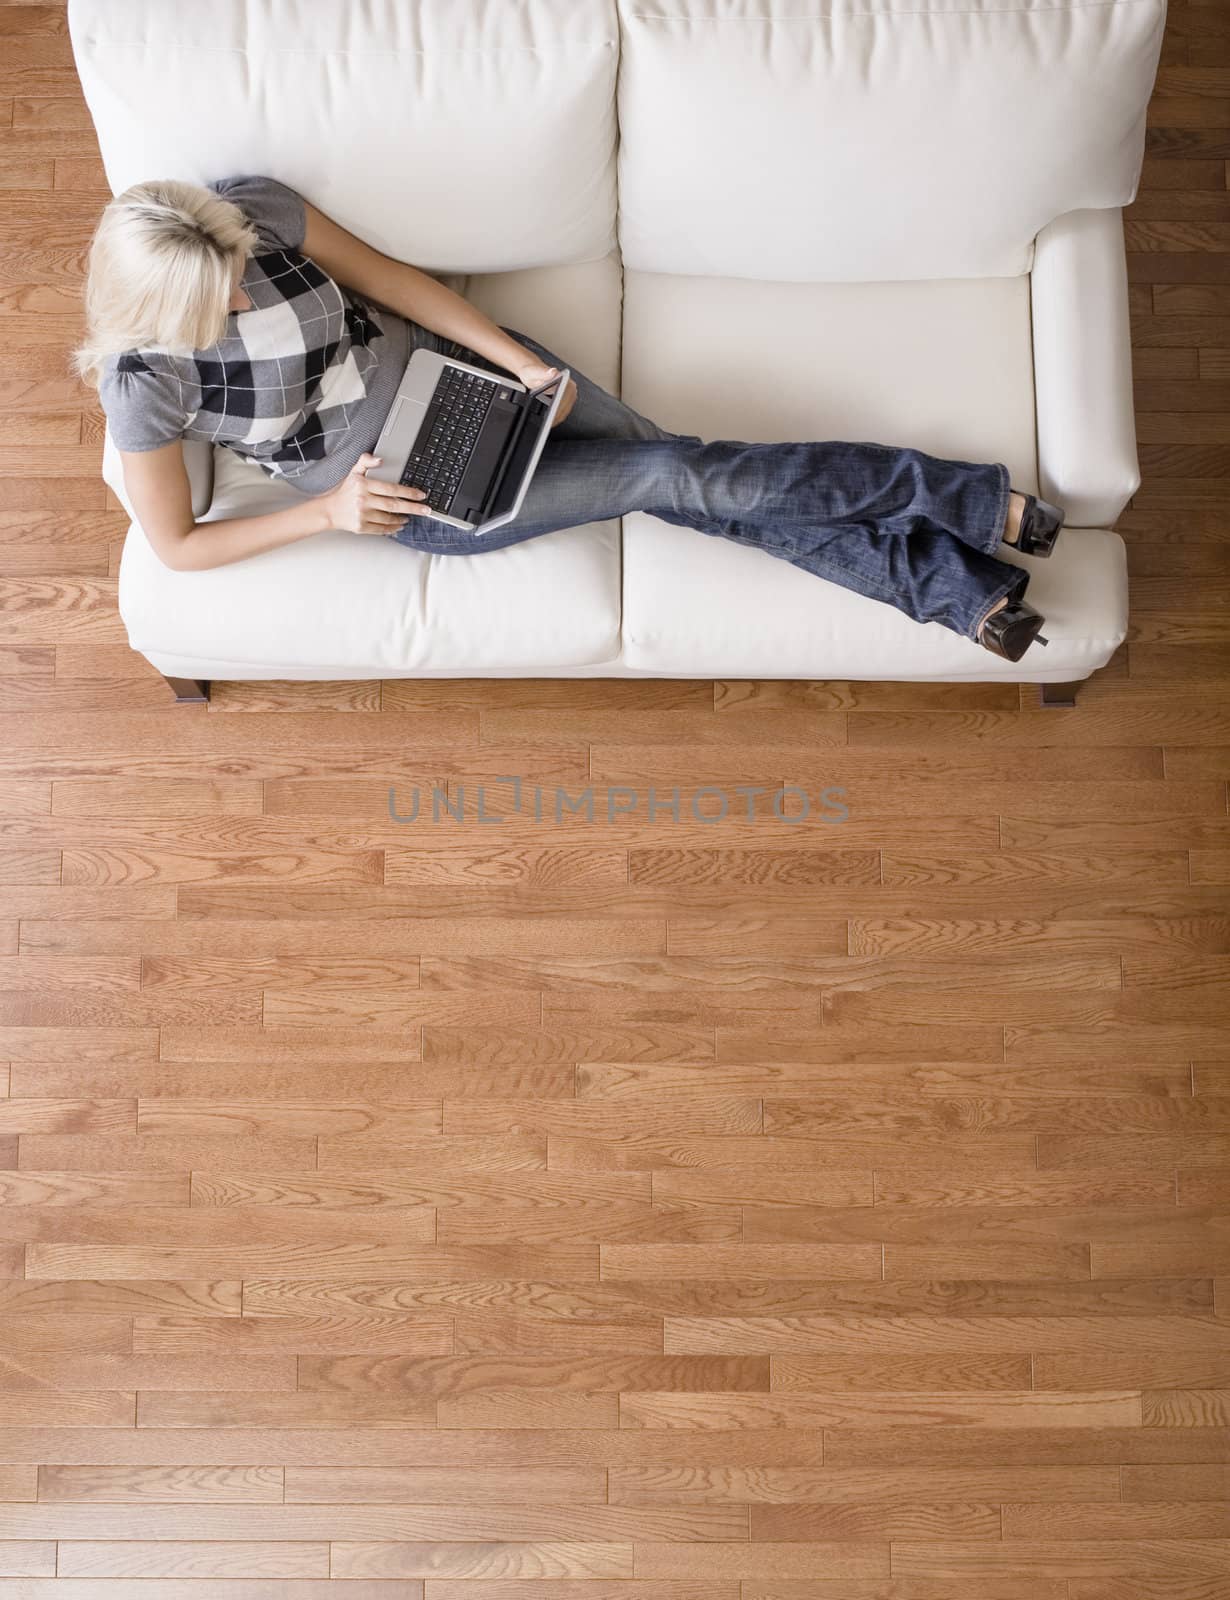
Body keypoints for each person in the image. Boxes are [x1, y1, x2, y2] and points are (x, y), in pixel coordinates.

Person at [74, 174, 1065, 663]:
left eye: (242, 268)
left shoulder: (249, 211)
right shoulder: (145, 383)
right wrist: (328, 515)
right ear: (162, 313)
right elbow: (175, 545)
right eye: (224, 299)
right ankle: (970, 507)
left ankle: (964, 592)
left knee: (697, 479)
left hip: (465, 373)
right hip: (407, 487)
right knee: (682, 476)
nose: (246, 289)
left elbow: (401, 286)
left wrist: (519, 362)